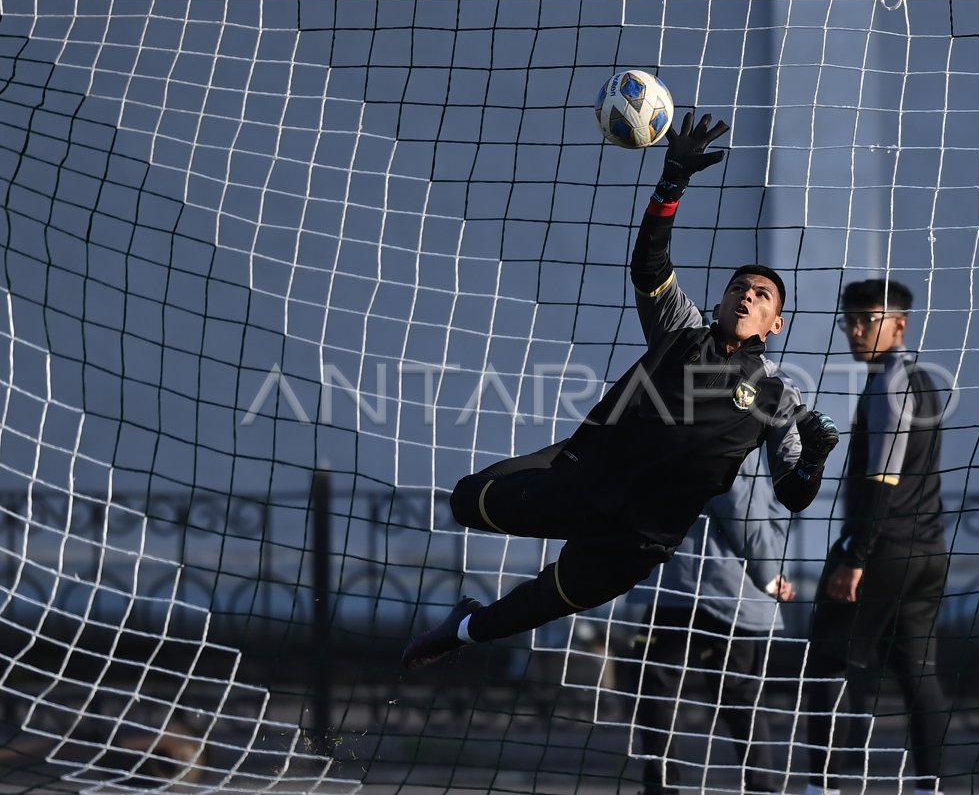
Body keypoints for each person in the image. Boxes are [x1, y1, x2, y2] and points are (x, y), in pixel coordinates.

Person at [401, 111, 840, 670]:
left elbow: (795, 493)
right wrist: (671, 185)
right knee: (466, 500)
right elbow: (649, 264)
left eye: (761, 295)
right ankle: (558, 463)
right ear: (722, 301)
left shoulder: (780, 398)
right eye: (738, 288)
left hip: (640, 540)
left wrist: (815, 462)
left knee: (526, 609)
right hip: (584, 485)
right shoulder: (682, 331)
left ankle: (460, 629)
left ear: (774, 324)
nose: (746, 296)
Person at [803, 279, 950, 795]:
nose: (855, 329)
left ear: (899, 325)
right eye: (850, 320)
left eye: (867, 318)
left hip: (883, 552)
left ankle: (822, 787)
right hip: (928, 554)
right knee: (917, 674)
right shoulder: (925, 382)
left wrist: (855, 556)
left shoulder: (891, 383)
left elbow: (883, 479)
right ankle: (928, 787)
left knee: (828, 665)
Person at [627, 452, 796, 795]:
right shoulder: (748, 428)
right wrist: (770, 570)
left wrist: (768, 572)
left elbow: (741, 512)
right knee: (734, 692)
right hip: (695, 582)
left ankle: (662, 786)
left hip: (705, 583)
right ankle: (758, 786)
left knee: (662, 683)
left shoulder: (733, 430)